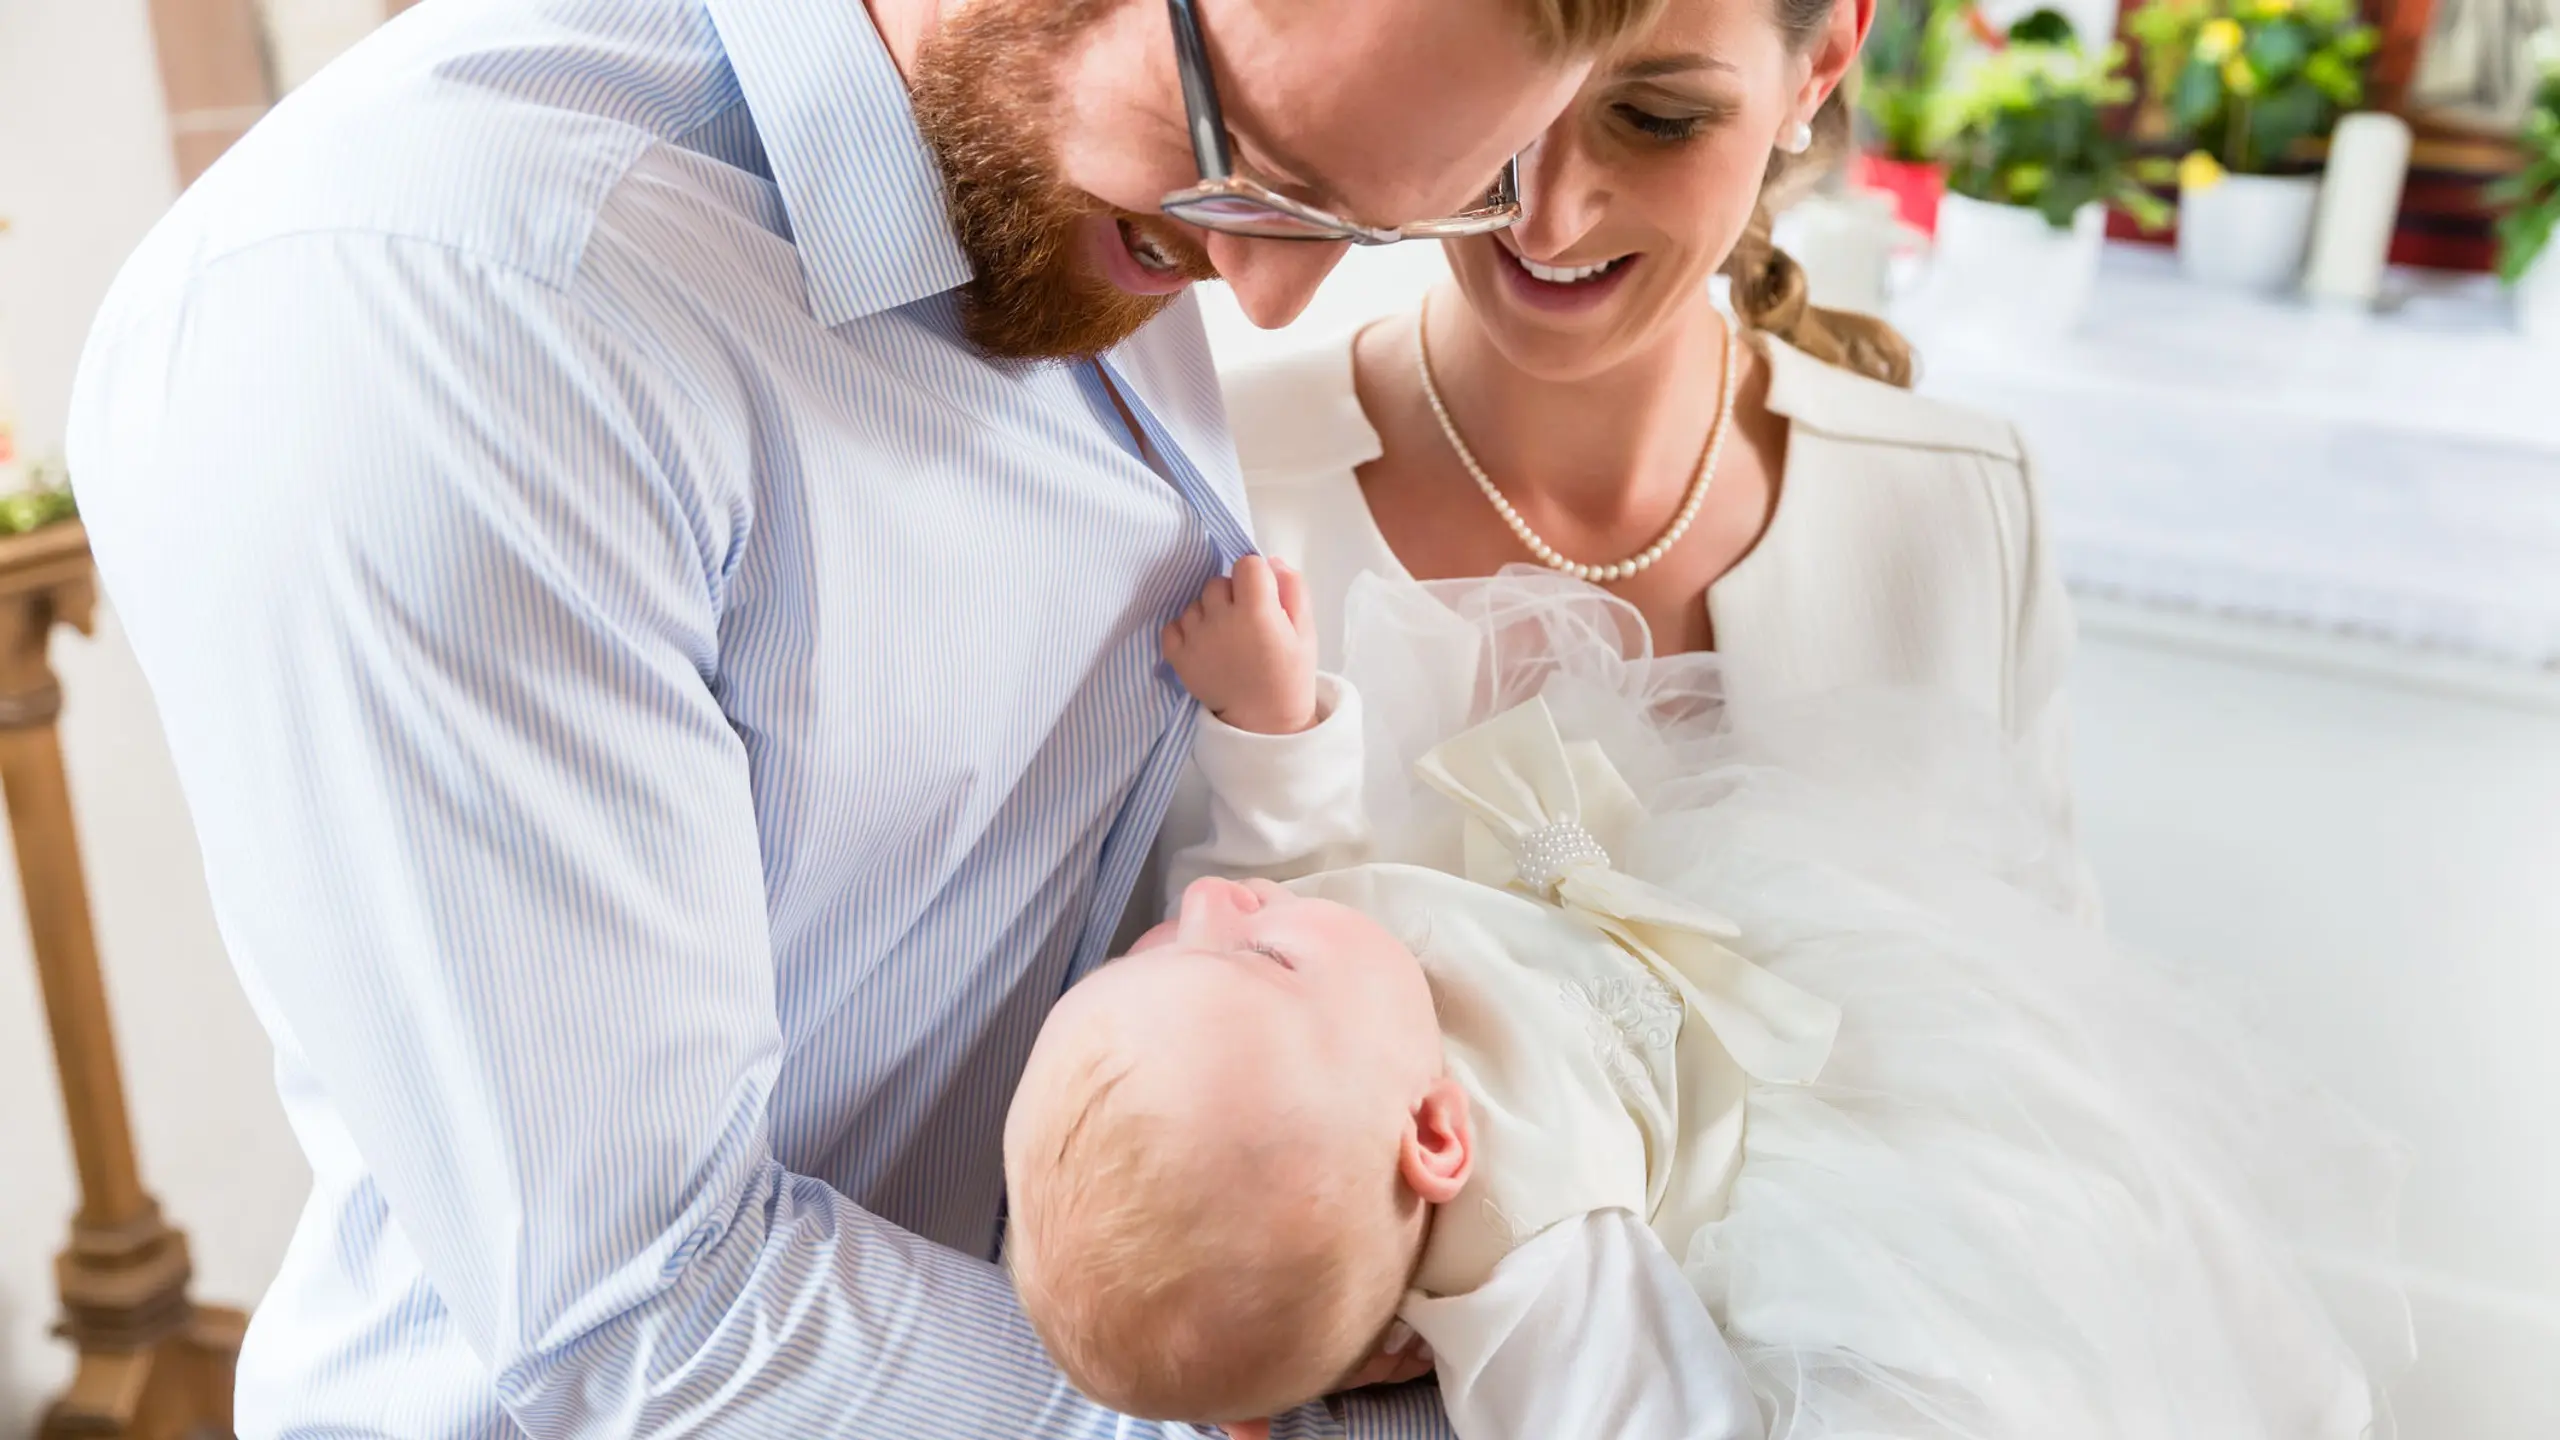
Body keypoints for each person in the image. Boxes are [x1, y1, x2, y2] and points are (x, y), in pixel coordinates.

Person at [62, 0, 1668, 1433]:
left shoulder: (1066, 179)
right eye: (1247, 159)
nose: (1259, 293)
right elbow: (645, 1318)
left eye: (1368, 218)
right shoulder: (447, 310)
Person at [1023, 558, 2405, 1439]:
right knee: (2084, 1208)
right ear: (1438, 1137)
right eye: (1251, 954)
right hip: (1797, 1133)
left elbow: (1284, 858)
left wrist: (1273, 722)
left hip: (1727, 938)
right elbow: (1629, 1413)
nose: (1210, 905)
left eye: (1156, 955)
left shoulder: (1311, 1030)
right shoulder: (1533, 1249)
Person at [1180, 0, 2096, 917]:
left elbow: (2039, 1008)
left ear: (1817, 66)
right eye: (1502, 98)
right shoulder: (1214, 491)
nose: (1545, 219)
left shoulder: (1963, 509)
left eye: (1658, 121)